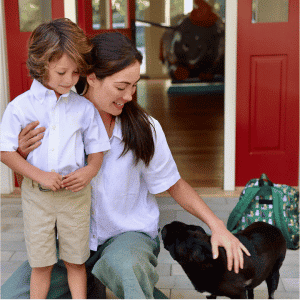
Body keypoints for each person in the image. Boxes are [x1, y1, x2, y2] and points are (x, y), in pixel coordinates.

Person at [1, 32, 250, 300]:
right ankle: (100, 284)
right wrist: (22, 155)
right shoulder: (53, 118)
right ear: (92, 77)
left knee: (123, 266)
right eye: (121, 87)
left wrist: (217, 226)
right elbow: (32, 182)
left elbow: (174, 184)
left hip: (125, 237)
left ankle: (119, 282)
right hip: (71, 242)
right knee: (11, 295)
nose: (130, 96)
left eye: (134, 86)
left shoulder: (145, 128)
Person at [0, 19, 110, 299]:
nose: (70, 80)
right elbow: (5, 151)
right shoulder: (20, 107)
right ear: (41, 63)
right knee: (42, 263)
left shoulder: (83, 108)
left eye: (76, 73)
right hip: (37, 197)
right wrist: (39, 176)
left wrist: (90, 170)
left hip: (75, 196)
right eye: (62, 71)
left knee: (75, 261)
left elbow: (97, 148)